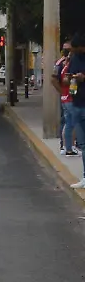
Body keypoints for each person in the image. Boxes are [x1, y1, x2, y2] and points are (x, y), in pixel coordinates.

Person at [64, 34, 85, 187]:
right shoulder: (75, 58)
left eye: (77, 49)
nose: (75, 51)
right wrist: (69, 77)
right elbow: (67, 75)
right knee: (83, 144)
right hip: (77, 103)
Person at [54, 41, 78, 155]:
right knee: (70, 123)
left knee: (67, 122)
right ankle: (68, 147)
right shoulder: (65, 65)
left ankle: (66, 146)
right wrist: (64, 92)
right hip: (68, 97)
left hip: (65, 97)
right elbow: (56, 80)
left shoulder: (63, 64)